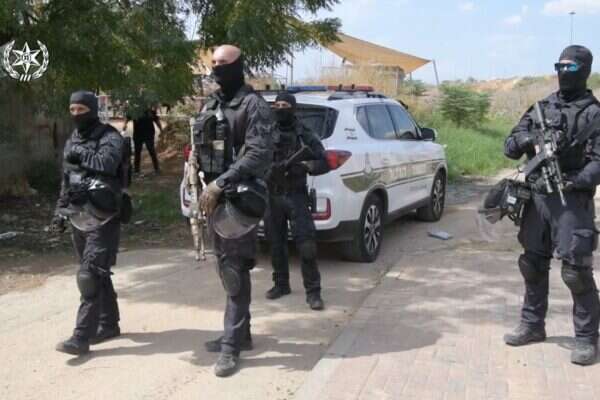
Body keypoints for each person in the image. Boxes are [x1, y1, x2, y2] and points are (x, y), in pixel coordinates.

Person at [503, 45, 600, 366]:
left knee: (575, 272)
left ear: (584, 70)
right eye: (559, 66)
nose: (563, 73)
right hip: (537, 198)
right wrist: (526, 140)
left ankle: (586, 339)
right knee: (531, 264)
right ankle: (532, 325)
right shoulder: (541, 107)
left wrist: (576, 180)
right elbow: (510, 146)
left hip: (571, 200)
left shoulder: (594, 114)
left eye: (570, 67)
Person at [196, 45, 273, 377]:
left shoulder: (254, 105)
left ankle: (231, 347)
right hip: (214, 198)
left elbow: (258, 153)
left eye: (223, 63)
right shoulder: (212, 103)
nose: (217, 68)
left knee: (234, 271)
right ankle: (242, 334)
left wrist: (221, 183)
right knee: (226, 266)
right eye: (213, 62)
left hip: (239, 199)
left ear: (239, 65)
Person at [51, 91, 125, 355]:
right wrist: (60, 211)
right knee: (97, 273)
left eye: (81, 110)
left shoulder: (110, 136)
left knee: (89, 275)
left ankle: (81, 337)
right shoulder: (73, 139)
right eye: (72, 110)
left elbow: (108, 163)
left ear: (92, 110)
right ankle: (109, 323)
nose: (76, 115)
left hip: (104, 216)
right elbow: (67, 179)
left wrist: (80, 154)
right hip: (78, 216)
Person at [264, 92, 330, 310]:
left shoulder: (304, 133)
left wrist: (305, 166)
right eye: (277, 105)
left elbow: (324, 161)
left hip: (296, 195)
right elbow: (254, 157)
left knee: (306, 245)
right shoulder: (267, 132)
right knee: (276, 244)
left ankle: (313, 292)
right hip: (273, 195)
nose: (280, 109)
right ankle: (281, 284)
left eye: (285, 105)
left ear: (293, 108)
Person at [123, 107, 162, 175]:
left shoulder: (150, 111)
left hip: (149, 135)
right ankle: (136, 170)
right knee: (137, 152)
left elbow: (157, 120)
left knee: (152, 151)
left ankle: (157, 169)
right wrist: (125, 124)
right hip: (138, 134)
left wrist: (161, 130)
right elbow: (127, 117)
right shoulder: (134, 111)